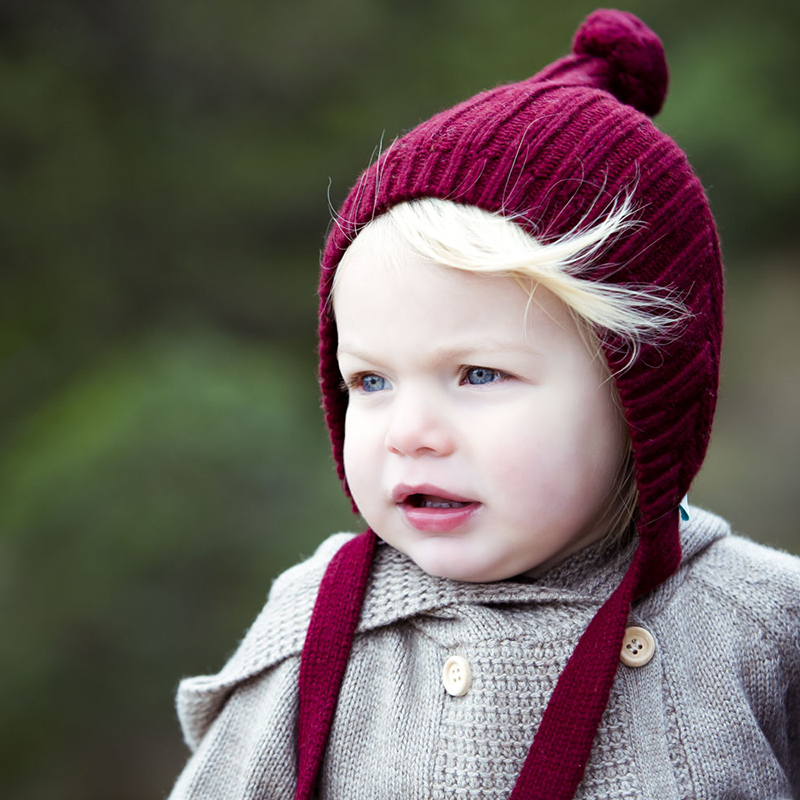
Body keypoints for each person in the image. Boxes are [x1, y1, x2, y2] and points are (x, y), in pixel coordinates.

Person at [167, 9, 800, 799]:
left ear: (641, 387)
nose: (410, 434)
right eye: (371, 382)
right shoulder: (318, 625)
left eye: (476, 375)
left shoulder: (761, 627)